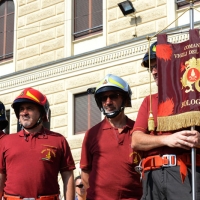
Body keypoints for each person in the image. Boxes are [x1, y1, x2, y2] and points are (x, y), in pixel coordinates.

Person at [131, 42, 200, 200]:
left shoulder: (193, 98)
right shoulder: (149, 101)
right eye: (151, 68)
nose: (154, 71)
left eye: (158, 65)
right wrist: (168, 139)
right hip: (151, 177)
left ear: (172, 65)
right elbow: (136, 141)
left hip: (183, 176)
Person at [0, 87, 75, 200]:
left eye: (29, 108)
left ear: (41, 112)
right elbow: (0, 176)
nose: (24, 112)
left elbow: (67, 176)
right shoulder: (5, 141)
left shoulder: (58, 140)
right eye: (21, 109)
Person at [80, 74, 142, 200]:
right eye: (103, 98)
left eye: (113, 96)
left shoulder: (139, 131)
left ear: (125, 99)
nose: (108, 102)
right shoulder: (92, 134)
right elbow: (85, 173)